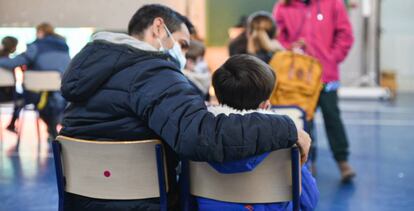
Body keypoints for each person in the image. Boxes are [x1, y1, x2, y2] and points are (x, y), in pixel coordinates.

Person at [59, 4, 311, 210]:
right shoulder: (153, 72)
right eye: (181, 44)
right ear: (158, 28)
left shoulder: (89, 69)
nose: (183, 55)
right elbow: (201, 136)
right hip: (143, 204)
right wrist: (286, 127)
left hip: (80, 200)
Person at [195, 54, 318, 211]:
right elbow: (308, 200)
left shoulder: (197, 138)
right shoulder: (286, 145)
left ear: (218, 99)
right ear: (265, 106)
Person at [273, 0, 355, 181]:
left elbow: (345, 35)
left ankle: (343, 161)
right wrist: (291, 48)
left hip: (326, 77)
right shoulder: (283, 7)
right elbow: (278, 38)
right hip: (296, 80)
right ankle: (307, 162)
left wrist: (331, 59)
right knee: (303, 121)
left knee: (332, 116)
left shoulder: (333, 4)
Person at [0, 23, 70, 140]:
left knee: (36, 99)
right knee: (52, 100)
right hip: (60, 94)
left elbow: (15, 63)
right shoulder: (64, 47)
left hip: (36, 93)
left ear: (40, 32)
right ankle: (52, 129)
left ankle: (51, 128)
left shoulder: (35, 46)